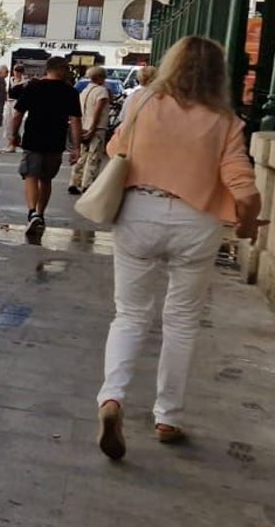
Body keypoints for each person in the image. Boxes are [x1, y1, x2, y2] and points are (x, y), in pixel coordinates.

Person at [96, 36, 261, 460]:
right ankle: (168, 415)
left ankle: (112, 398)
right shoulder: (225, 121)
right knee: (183, 320)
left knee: (130, 314)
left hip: (139, 213)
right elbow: (242, 183)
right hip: (196, 222)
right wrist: (246, 224)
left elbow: (117, 149)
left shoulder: (142, 103)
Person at [9, 56, 82, 236]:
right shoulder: (70, 92)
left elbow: (18, 113)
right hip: (55, 141)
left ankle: (32, 212)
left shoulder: (34, 87)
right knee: (46, 179)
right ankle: (40, 214)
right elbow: (75, 121)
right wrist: (77, 147)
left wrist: (13, 134)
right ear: (63, 70)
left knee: (31, 175)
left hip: (33, 137)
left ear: (47, 69)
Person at [68, 65, 111, 195]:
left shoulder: (85, 91)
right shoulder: (101, 91)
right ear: (100, 78)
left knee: (82, 155)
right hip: (96, 127)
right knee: (94, 156)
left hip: (84, 125)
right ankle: (88, 184)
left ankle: (75, 181)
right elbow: (98, 110)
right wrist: (93, 127)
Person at [5, 64, 27, 152]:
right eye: (15, 70)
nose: (17, 73)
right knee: (7, 122)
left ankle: (12, 143)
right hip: (9, 102)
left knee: (14, 123)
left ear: (22, 72)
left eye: (19, 71)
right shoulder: (10, 80)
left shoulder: (25, 82)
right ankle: (15, 141)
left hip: (17, 103)